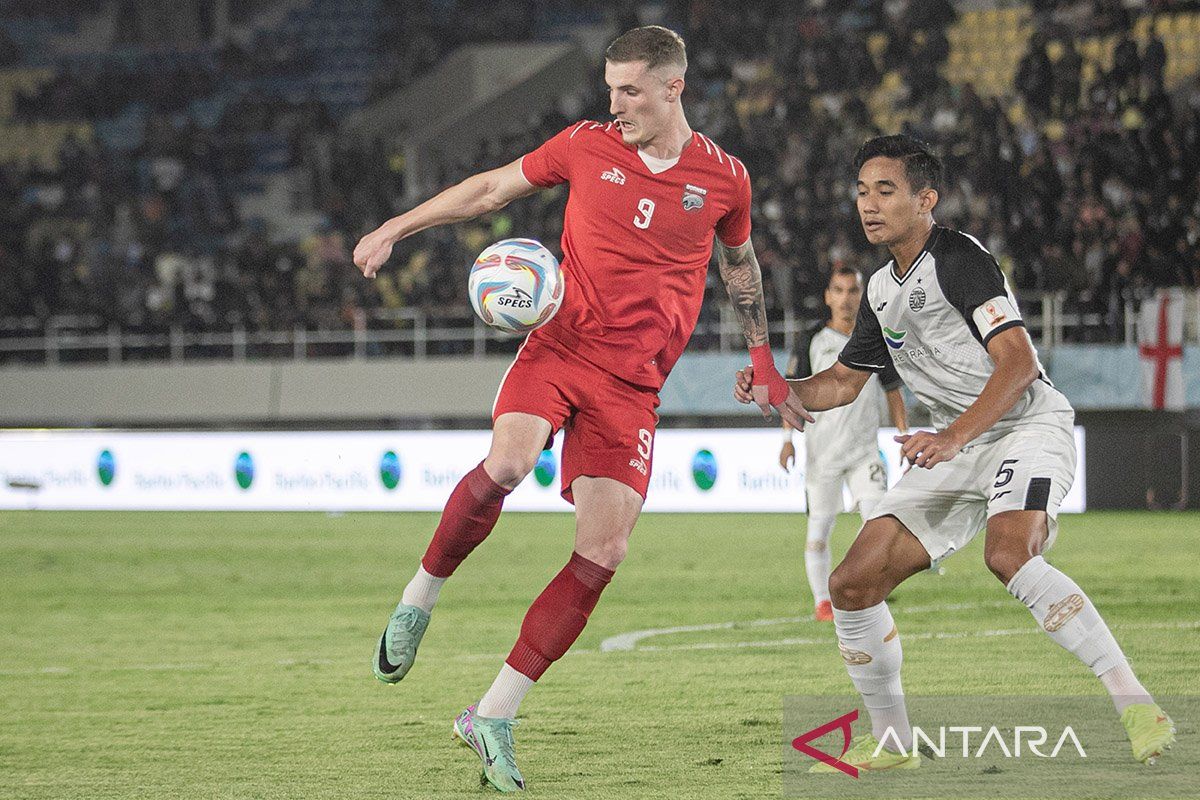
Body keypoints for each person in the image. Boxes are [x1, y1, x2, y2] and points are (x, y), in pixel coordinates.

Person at [353, 25, 808, 793]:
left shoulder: (725, 178)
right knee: (509, 462)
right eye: (610, 90)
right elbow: (491, 188)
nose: (616, 105)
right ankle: (418, 599)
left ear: (674, 88)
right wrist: (396, 227)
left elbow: (740, 262)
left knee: (605, 552)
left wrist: (763, 360)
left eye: (630, 91)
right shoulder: (586, 145)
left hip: (633, 388)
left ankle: (491, 715)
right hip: (560, 348)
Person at [736, 134, 1175, 771]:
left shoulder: (959, 258)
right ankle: (894, 741)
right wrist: (779, 388)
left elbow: (1019, 363)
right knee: (852, 583)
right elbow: (840, 383)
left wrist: (952, 436)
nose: (869, 204)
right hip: (955, 443)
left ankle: (1136, 703)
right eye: (862, 191)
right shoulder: (882, 289)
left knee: (1007, 554)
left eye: (886, 190)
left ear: (927, 199)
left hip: (1024, 426)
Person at [779, 266, 908, 622]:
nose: (846, 299)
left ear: (862, 295)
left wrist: (904, 436)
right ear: (828, 297)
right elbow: (791, 389)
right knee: (818, 532)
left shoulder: (873, 338)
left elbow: (893, 391)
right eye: (839, 290)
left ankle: (870, 593)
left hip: (865, 451)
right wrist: (787, 439)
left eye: (853, 291)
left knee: (877, 520)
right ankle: (823, 603)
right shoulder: (812, 341)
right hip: (823, 455)